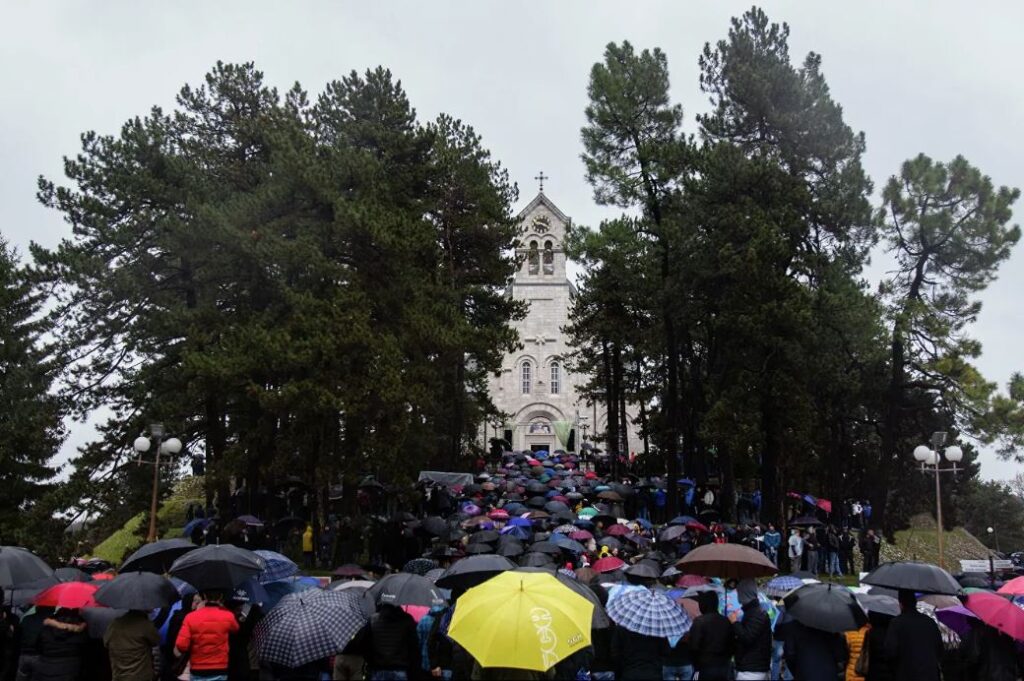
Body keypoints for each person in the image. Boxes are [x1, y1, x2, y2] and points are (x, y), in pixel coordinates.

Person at [175, 592, 240, 681]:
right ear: (221, 597)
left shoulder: (190, 617)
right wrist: (224, 608)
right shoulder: (228, 616)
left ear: (205, 596)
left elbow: (181, 645)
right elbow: (236, 629)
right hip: (220, 666)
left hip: (197, 667)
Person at [882, 590, 942, 681]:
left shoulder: (897, 623)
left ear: (901, 604)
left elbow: (891, 651)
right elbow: (939, 649)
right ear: (915, 603)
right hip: (929, 674)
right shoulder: (930, 622)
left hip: (906, 674)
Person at [358, 603, 421, 680]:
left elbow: (366, 645)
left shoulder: (373, 619)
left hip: (378, 668)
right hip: (400, 668)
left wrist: (371, 662)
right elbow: (414, 647)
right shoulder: (407, 619)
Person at [687, 591, 733, 680]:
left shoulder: (699, 622)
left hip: (705, 667)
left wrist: (696, 664)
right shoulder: (726, 621)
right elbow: (731, 644)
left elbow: (694, 646)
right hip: (724, 667)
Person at [103, 610, 160, 681]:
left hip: (119, 675)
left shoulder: (114, 624)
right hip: (141, 675)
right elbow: (156, 640)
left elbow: (106, 643)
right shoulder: (145, 625)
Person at [35, 608, 89, 681]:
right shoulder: (81, 630)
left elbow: (38, 646)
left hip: (46, 669)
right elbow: (85, 650)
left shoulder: (47, 628)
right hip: (71, 671)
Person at [732, 580, 771, 680]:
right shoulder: (751, 611)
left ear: (744, 593)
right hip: (751, 667)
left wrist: (735, 623)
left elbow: (747, 637)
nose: (738, 596)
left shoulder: (757, 613)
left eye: (739, 593)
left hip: (752, 670)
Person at [783, 620, 847, 681]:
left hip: (804, 673)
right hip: (828, 674)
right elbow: (840, 655)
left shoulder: (793, 626)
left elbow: (790, 655)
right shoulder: (830, 627)